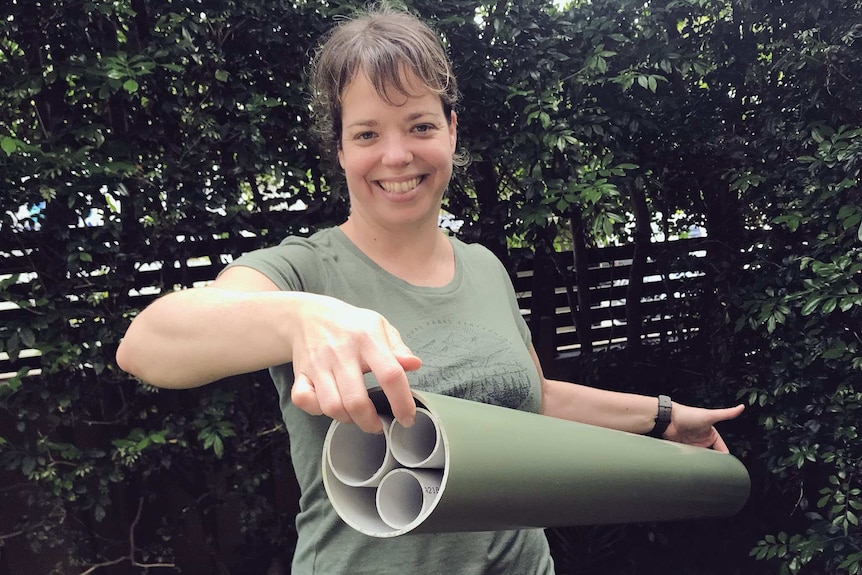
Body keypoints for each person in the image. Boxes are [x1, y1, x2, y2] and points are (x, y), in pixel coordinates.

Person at [116, 4, 745, 574]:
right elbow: (147, 346)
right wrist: (299, 318)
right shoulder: (303, 270)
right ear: (338, 148)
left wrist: (664, 419)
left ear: (450, 129)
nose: (396, 156)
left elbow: (534, 399)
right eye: (367, 133)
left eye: (418, 125)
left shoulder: (485, 267)